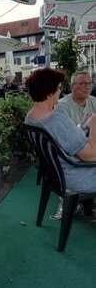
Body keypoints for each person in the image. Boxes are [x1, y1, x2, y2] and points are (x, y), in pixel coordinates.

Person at [25, 68, 96, 198]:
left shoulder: (31, 117)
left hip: (55, 174)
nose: (60, 91)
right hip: (76, 175)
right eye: (58, 88)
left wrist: (81, 126)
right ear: (49, 92)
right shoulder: (55, 118)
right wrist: (94, 123)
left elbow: (64, 139)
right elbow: (90, 156)